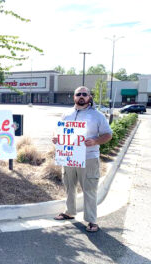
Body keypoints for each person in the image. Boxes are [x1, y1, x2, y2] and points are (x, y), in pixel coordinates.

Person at [52, 86, 112, 232]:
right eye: (78, 94)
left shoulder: (97, 116)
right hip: (69, 157)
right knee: (69, 185)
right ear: (74, 97)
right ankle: (70, 212)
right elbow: (60, 131)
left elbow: (108, 134)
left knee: (89, 188)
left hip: (89, 158)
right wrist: (56, 138)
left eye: (84, 94)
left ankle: (92, 221)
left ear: (89, 97)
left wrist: (96, 141)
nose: (81, 96)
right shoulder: (66, 114)